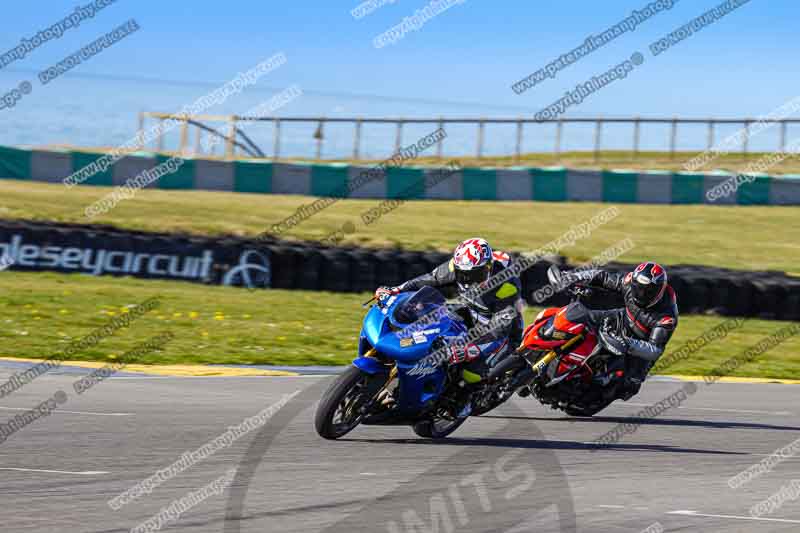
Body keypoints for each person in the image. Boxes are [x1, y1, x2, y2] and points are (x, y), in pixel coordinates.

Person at [375, 238, 524, 377]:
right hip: (469, 310)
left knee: (471, 373)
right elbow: (430, 279)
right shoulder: (455, 266)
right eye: (463, 275)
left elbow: (498, 331)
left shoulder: (506, 287)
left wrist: (467, 349)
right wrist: (397, 290)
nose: (468, 281)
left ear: (489, 268)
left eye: (476, 275)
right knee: (429, 320)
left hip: (500, 333)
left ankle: (464, 402)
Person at [562, 262, 678, 398]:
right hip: (622, 319)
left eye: (647, 291)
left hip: (640, 345)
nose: (640, 294)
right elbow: (602, 276)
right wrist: (573, 276)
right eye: (638, 288)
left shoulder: (666, 316)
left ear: (660, 290)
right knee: (583, 317)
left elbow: (654, 350)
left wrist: (627, 343)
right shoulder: (628, 281)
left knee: (629, 386)